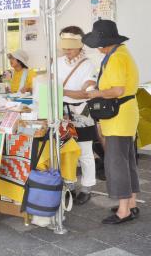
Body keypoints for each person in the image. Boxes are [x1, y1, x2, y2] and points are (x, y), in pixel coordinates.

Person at [83, 19, 140, 225]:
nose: (97, 48)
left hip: (118, 117)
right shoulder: (121, 53)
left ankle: (123, 210)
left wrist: (95, 93)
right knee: (127, 162)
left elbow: (117, 90)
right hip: (125, 115)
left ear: (105, 42)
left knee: (116, 164)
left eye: (98, 43)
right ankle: (131, 203)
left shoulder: (115, 58)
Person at [57, 26, 98, 205]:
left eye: (71, 47)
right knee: (66, 151)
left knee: (84, 152)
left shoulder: (87, 64)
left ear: (80, 46)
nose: (67, 51)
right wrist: (69, 93)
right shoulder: (57, 63)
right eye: (64, 47)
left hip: (81, 111)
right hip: (61, 111)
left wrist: (62, 91)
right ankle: (69, 185)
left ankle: (87, 187)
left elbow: (86, 93)